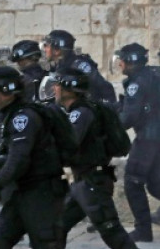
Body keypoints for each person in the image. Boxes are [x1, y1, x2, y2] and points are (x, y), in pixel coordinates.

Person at [0, 66, 67, 249]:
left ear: (6, 90)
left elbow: (18, 160)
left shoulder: (24, 118)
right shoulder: (11, 115)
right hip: (20, 193)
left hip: (40, 196)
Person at [53, 66, 137, 249]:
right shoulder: (80, 111)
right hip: (81, 182)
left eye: (58, 85)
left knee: (113, 233)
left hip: (92, 183)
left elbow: (68, 145)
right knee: (55, 229)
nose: (54, 89)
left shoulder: (81, 113)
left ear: (68, 89)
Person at [115, 43, 160, 242]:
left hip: (148, 139)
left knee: (133, 182)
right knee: (156, 183)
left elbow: (129, 118)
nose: (120, 64)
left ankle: (143, 231)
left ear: (130, 62)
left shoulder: (136, 84)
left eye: (122, 60)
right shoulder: (154, 74)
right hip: (156, 137)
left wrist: (109, 124)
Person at [42, 29, 116, 105]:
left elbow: (106, 88)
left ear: (56, 50)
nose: (44, 49)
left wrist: (107, 111)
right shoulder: (58, 66)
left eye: (46, 46)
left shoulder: (79, 66)